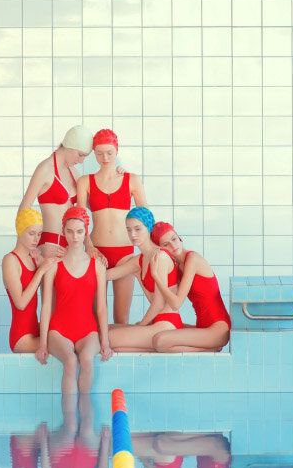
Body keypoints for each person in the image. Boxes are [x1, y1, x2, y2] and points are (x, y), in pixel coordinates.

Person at [37, 206, 112, 394]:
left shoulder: (97, 266)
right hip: (59, 330)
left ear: (86, 232)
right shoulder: (54, 265)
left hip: (87, 330)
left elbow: (102, 307)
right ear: (63, 231)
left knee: (87, 359)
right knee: (70, 361)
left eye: (79, 232)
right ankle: (70, 421)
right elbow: (46, 306)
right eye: (70, 231)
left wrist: (105, 342)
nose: (75, 237)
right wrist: (43, 344)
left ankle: (86, 417)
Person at [75, 128, 146, 323]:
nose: (104, 158)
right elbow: (80, 218)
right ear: (93, 153)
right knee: (96, 316)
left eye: (109, 153)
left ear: (117, 150)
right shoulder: (85, 182)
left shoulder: (131, 179)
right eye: (99, 153)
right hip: (96, 252)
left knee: (121, 318)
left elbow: (145, 218)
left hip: (125, 253)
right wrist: (88, 246)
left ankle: (118, 353)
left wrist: (147, 250)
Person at [146, 221, 232, 352]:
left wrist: (155, 275)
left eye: (174, 239)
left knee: (160, 341)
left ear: (179, 237)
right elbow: (165, 302)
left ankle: (211, 349)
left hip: (218, 328)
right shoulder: (177, 267)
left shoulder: (193, 259)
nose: (173, 245)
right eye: (166, 244)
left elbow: (176, 303)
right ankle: (210, 347)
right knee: (158, 333)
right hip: (202, 328)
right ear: (161, 249)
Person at [104, 207, 182, 352]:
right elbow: (108, 275)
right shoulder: (138, 260)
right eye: (128, 230)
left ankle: (165, 345)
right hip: (155, 322)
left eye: (137, 229)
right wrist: (85, 263)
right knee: (104, 331)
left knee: (105, 338)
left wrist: (140, 326)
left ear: (149, 228)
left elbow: (159, 304)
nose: (132, 234)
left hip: (167, 323)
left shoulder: (160, 257)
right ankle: (155, 349)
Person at [19, 125, 94, 257]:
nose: (81, 161)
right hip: (50, 244)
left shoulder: (72, 171)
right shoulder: (45, 169)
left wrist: (112, 172)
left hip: (70, 245)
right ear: (70, 145)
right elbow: (24, 209)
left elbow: (92, 204)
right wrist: (24, 249)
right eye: (80, 155)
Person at [1, 208, 55, 355]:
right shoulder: (10, 260)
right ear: (20, 231)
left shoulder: (32, 258)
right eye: (31, 234)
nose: (36, 239)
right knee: (62, 343)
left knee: (67, 334)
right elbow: (21, 303)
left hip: (34, 329)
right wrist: (41, 270)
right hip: (21, 337)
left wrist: (41, 264)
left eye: (39, 234)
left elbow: (51, 286)